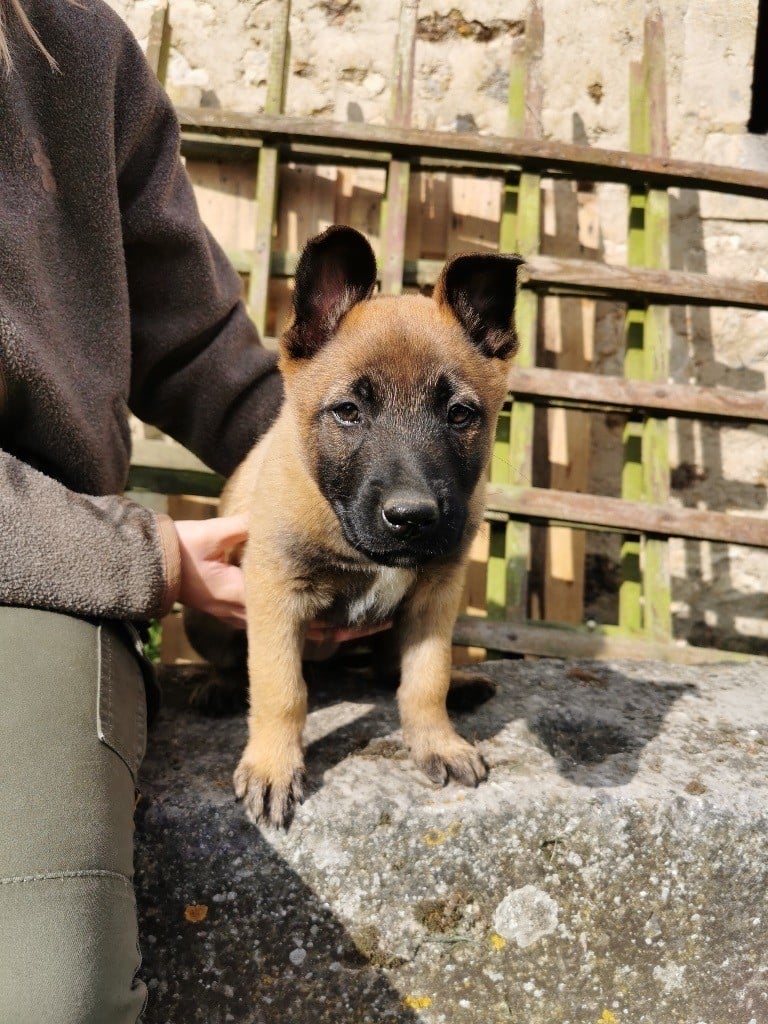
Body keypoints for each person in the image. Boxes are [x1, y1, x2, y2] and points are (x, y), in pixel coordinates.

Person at [0, 1, 383, 1020]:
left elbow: (197, 342)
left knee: (43, 988)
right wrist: (146, 558)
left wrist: (327, 489)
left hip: (26, 593)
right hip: (58, 552)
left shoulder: (74, 48)